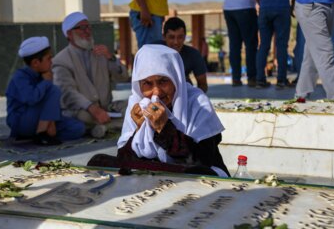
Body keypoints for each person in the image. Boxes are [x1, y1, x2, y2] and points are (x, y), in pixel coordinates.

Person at [87, 45, 230, 177]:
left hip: (196, 175)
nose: (156, 92)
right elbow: (124, 159)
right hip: (155, 174)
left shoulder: (197, 103)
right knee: (97, 161)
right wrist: (138, 130)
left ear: (176, 80)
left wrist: (164, 128)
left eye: (163, 81)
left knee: (198, 171)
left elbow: (201, 161)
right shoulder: (137, 104)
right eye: (147, 84)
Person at [52, 12, 129, 138]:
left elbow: (123, 77)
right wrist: (92, 108)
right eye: (82, 28)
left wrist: (110, 58)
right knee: (83, 117)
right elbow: (68, 93)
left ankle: (104, 127)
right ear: (69, 34)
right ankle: (116, 125)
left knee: (134, 106)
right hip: (82, 110)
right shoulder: (61, 60)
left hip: (106, 107)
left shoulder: (100, 53)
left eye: (88, 27)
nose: (87, 31)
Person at [6, 37, 85, 145]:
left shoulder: (42, 74)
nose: (51, 62)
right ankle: (42, 133)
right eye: (48, 59)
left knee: (78, 128)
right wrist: (46, 82)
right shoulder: (20, 77)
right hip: (21, 120)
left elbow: (49, 105)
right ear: (35, 63)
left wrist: (51, 122)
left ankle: (40, 135)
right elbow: (31, 99)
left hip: (41, 119)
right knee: (54, 90)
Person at [294, 0, 334, 100]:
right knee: (325, 54)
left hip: (330, 3)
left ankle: (301, 96)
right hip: (311, 5)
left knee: (312, 53)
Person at [251, 0, 294, 89]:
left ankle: (260, 80)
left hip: (265, 8)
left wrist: (259, 1)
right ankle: (281, 80)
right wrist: (291, 6)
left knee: (263, 46)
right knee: (282, 46)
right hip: (282, 7)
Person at [153, 17, 208, 93]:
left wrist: (194, 99)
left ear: (185, 37)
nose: (176, 42)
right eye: (171, 37)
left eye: (180, 37)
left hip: (183, 91)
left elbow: (203, 84)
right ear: (164, 37)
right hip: (157, 91)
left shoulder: (193, 54)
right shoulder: (153, 50)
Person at [223, 0, 258, 87]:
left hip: (229, 7)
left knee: (234, 46)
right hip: (245, 6)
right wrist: (260, 1)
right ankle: (252, 78)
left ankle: (236, 78)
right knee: (250, 45)